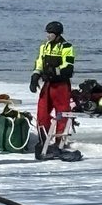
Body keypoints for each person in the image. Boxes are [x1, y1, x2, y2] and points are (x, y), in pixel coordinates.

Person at [30, 21, 75, 153]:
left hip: (60, 85)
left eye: (50, 33)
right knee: (42, 112)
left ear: (57, 34)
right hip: (48, 84)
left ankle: (59, 142)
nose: (48, 36)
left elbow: (68, 67)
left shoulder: (66, 47)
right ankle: (43, 140)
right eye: (47, 33)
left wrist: (53, 72)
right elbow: (39, 63)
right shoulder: (44, 47)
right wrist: (35, 76)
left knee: (61, 114)